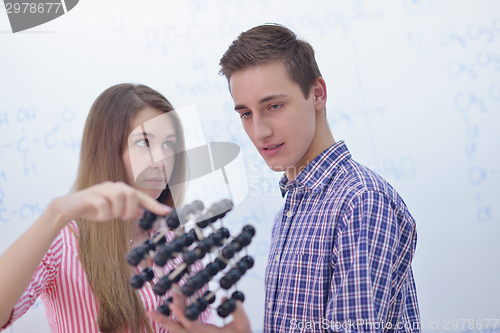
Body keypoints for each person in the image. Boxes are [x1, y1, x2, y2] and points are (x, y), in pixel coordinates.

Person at [150, 24, 421, 333]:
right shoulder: (292, 211)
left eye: (274, 106)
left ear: (317, 94)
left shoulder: (361, 203)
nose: (259, 132)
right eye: (246, 114)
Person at [0, 83, 211, 333]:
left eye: (169, 145)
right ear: (108, 150)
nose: (161, 161)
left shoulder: (182, 243)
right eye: (144, 142)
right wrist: (56, 213)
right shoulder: (64, 243)